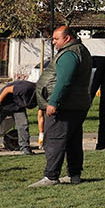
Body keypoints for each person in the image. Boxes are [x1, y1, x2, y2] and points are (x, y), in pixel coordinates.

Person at [32, 26, 93, 187]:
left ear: (66, 38)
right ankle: (74, 174)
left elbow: (64, 81)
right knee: (72, 141)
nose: (53, 42)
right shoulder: (80, 50)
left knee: (54, 140)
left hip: (65, 106)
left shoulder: (69, 54)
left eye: (55, 39)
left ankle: (51, 176)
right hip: (76, 105)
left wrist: (53, 102)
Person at [0, 78, 41, 155]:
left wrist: (41, 133)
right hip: (4, 103)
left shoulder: (39, 96)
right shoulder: (26, 88)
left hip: (18, 105)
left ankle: (25, 148)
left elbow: (40, 112)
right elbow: (7, 90)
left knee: (23, 125)